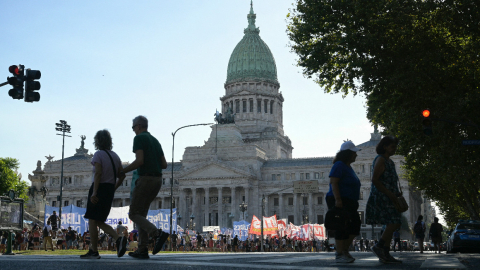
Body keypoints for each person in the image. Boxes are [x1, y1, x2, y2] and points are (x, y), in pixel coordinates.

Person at [119, 116, 169, 259]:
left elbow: (139, 160)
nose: (133, 130)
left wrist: (123, 171)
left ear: (139, 126)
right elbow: (164, 165)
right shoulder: (155, 141)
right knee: (141, 215)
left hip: (145, 178)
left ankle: (157, 233)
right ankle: (142, 249)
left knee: (134, 214)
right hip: (157, 180)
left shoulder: (139, 138)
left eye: (133, 127)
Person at [81, 129, 128, 259]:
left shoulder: (98, 155)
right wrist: (114, 188)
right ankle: (118, 239)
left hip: (99, 188)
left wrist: (94, 192)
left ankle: (94, 250)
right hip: (109, 189)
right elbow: (122, 176)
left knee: (92, 219)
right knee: (99, 220)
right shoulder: (115, 156)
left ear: (97, 141)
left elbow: (98, 173)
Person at [366, 136, 403, 264]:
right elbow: (375, 179)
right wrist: (388, 192)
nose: (394, 149)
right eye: (392, 146)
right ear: (385, 147)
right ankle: (379, 246)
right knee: (394, 222)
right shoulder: (380, 159)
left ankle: (385, 253)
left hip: (390, 195)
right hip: (382, 195)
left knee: (392, 223)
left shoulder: (390, 162)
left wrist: (396, 193)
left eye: (395, 147)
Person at [326, 140, 362, 263]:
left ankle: (344, 251)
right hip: (340, 200)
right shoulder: (339, 165)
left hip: (350, 201)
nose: (356, 155)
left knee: (355, 226)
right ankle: (340, 253)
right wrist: (338, 200)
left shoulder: (348, 167)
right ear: (348, 154)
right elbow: (334, 182)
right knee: (341, 226)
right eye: (354, 153)